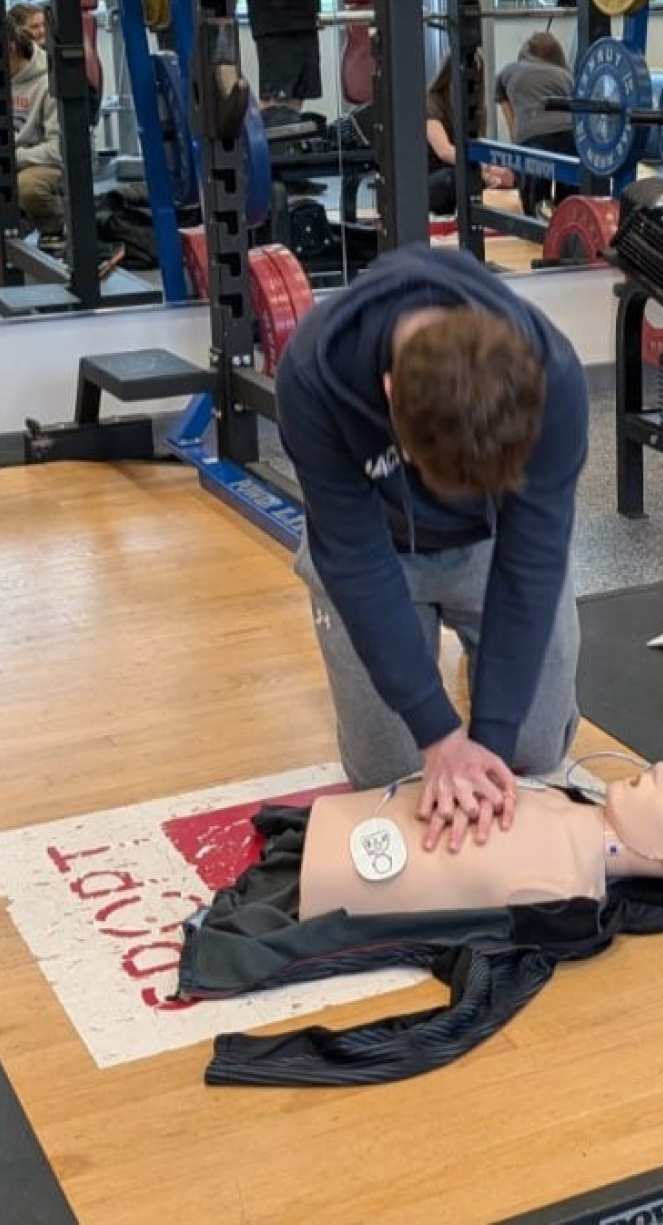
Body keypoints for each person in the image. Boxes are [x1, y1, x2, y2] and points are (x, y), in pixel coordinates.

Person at [273, 240, 589, 860]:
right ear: (390, 392)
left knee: (533, 753)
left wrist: (490, 745)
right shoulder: (313, 373)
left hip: (495, 546)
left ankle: (486, 691)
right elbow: (355, 561)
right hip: (380, 550)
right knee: (389, 779)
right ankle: (424, 691)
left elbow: (533, 559)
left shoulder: (554, 374)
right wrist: (438, 731)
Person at [176, 763, 663, 1085]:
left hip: (329, 879)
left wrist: (260, 1056)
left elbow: (470, 976)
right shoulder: (576, 818)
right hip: (334, 846)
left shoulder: (566, 894)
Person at [300, 761, 663, 916]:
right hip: (334, 836)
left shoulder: (562, 885)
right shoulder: (566, 818)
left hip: (324, 875)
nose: (662, 769)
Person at [0, 15, 65, 253]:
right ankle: (13, 222)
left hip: (45, 164)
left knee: (27, 186)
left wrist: (8, 156)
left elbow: (58, 150)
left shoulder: (49, 81)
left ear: (10, 48)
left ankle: (55, 226)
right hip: (6, 158)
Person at [493, 31, 577, 220]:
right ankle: (567, 226)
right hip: (569, 133)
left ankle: (539, 226)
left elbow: (510, 117)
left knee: (535, 197)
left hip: (533, 133)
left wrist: (517, 143)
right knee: (571, 193)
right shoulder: (566, 73)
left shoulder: (509, 71)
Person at [425, 51, 514, 216]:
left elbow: (477, 148)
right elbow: (444, 151)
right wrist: (484, 170)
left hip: (462, 171)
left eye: (476, 80)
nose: (471, 85)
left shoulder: (476, 110)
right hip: (435, 178)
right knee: (455, 178)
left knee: (510, 176)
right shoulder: (431, 103)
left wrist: (497, 170)